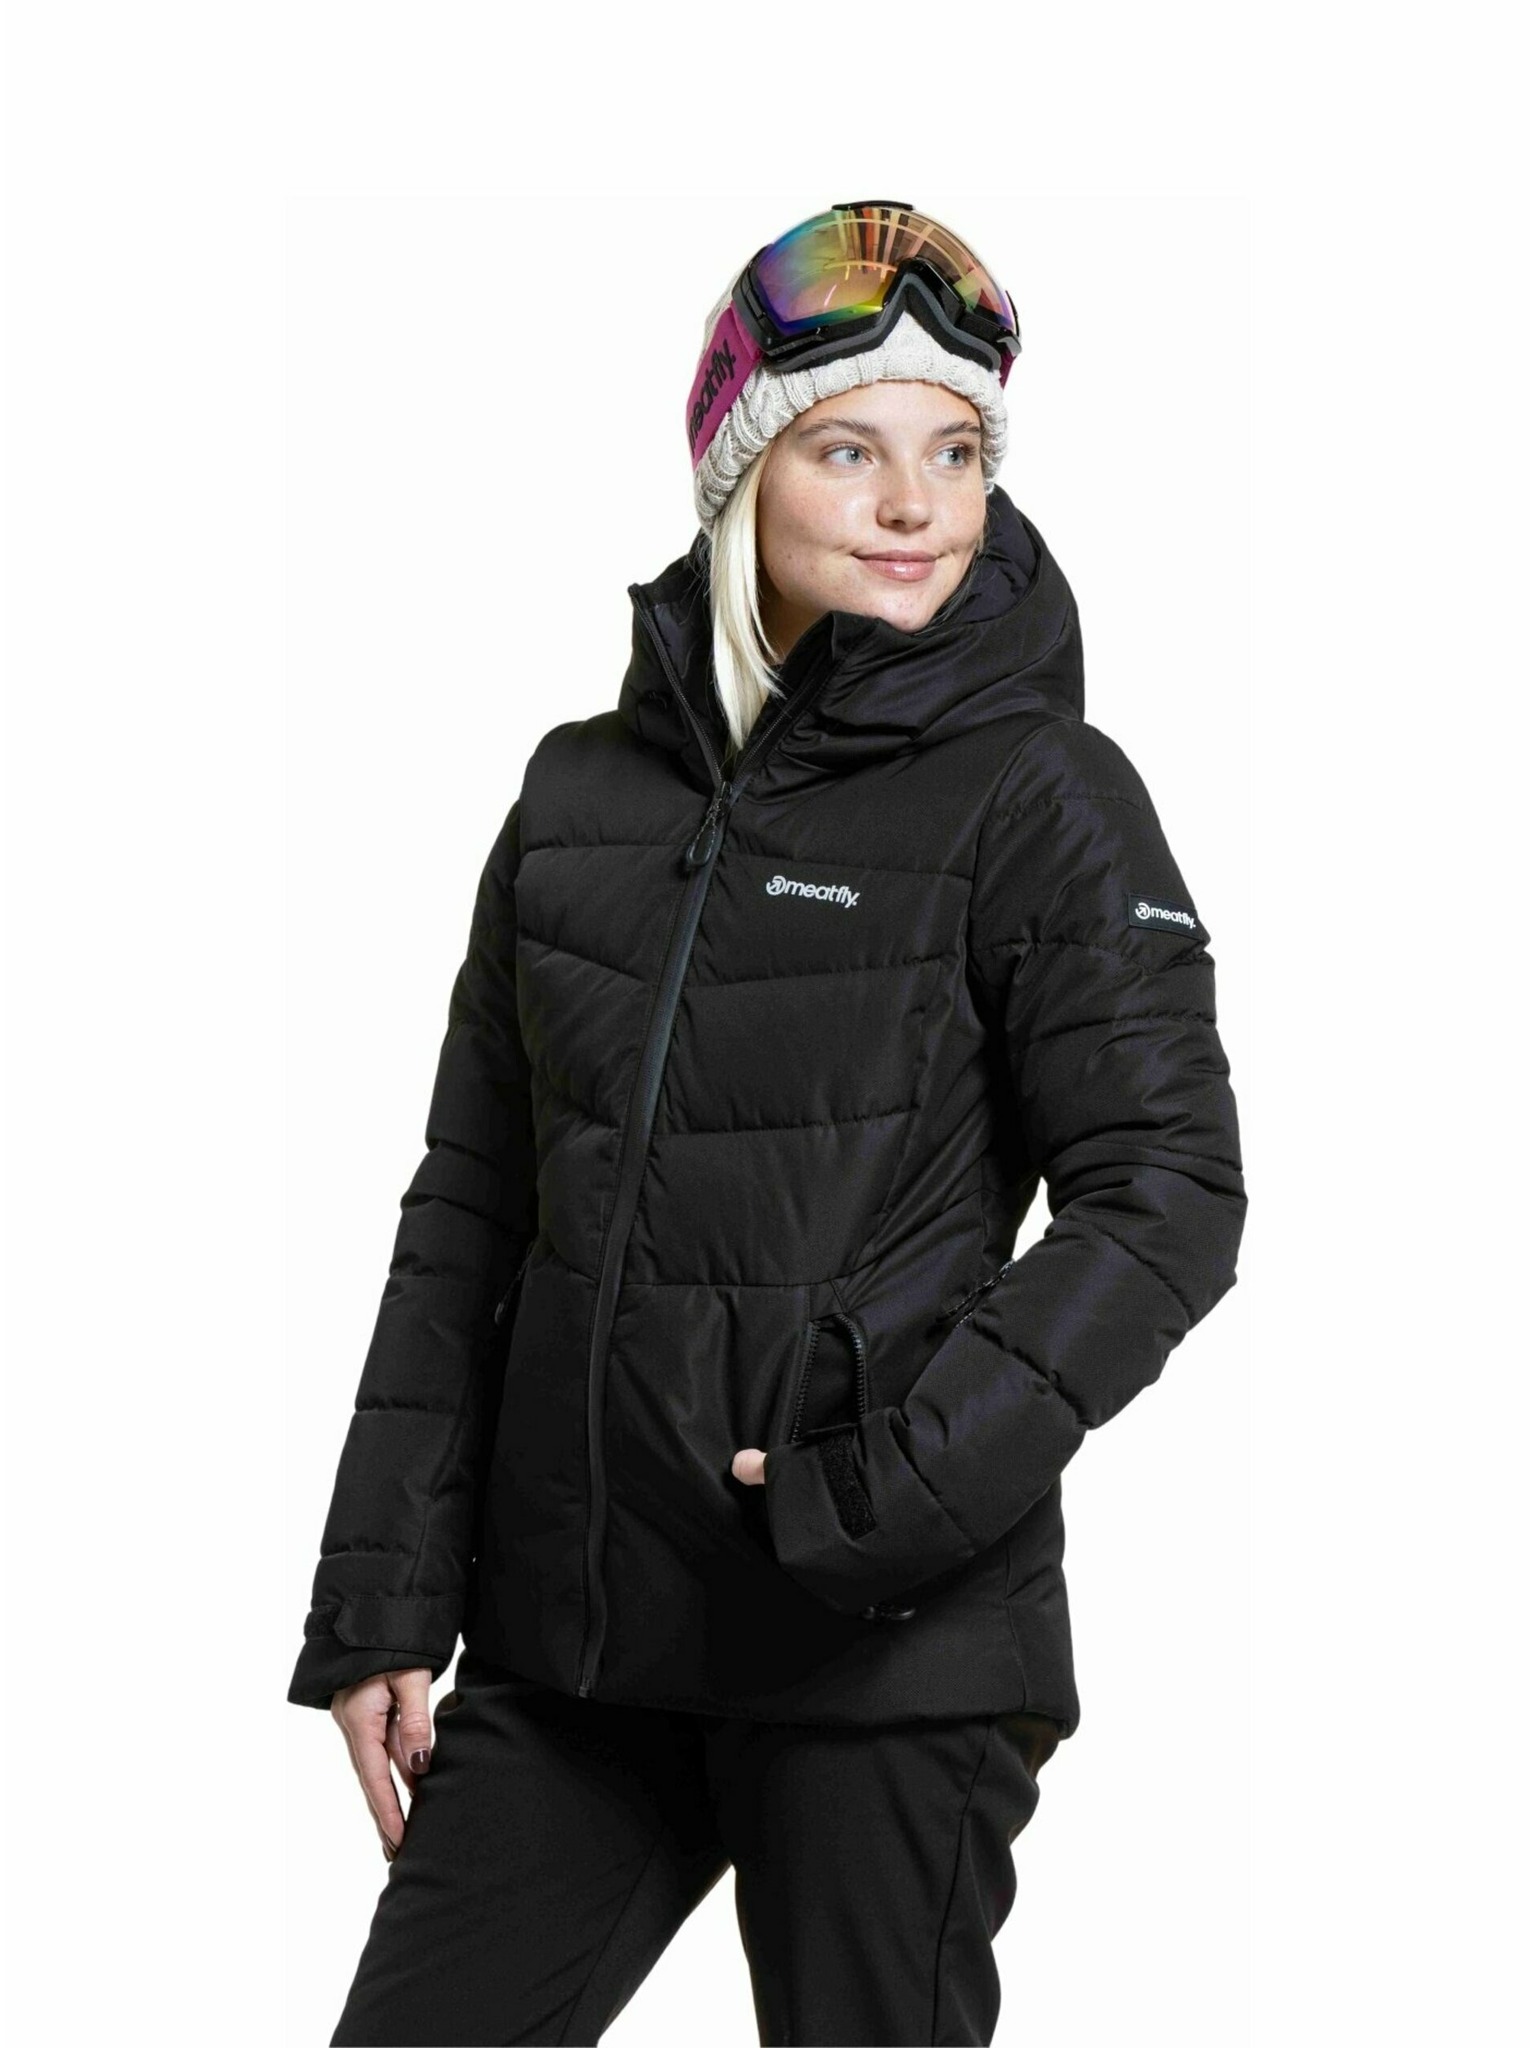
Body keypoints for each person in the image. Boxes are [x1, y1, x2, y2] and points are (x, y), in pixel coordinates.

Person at [288, 200, 1248, 2047]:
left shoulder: (1042, 793)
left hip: (880, 1649)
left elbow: (1168, 1196)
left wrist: (891, 1486)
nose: (915, 506)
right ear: (740, 474)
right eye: (849, 450)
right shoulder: (580, 799)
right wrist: (386, 1598)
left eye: (954, 452)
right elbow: (474, 1206)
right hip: (580, 1641)